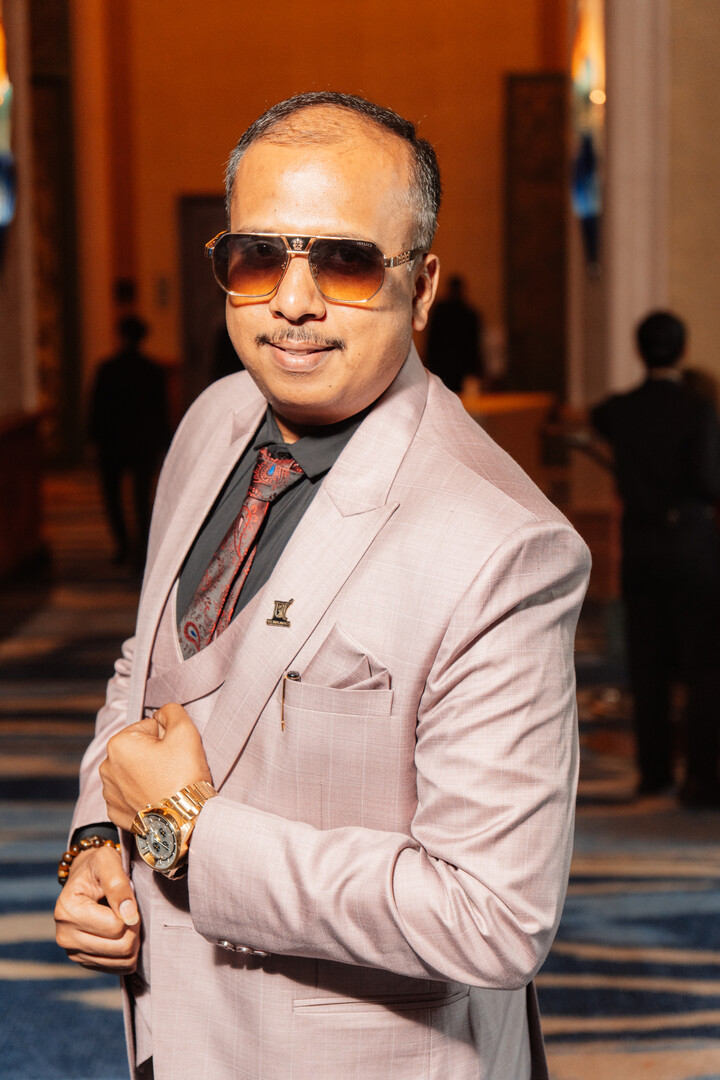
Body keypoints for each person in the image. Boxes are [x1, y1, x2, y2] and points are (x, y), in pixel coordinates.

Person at [56, 92, 590, 1080]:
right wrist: (98, 830)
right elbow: (149, 670)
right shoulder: (215, 419)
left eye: (344, 262)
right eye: (258, 257)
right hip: (172, 1037)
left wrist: (187, 835)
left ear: (421, 288)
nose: (292, 302)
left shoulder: (501, 546)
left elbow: (493, 917)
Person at [591, 311, 720, 806]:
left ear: (639, 352)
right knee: (702, 667)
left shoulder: (622, 410)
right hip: (690, 545)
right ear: (682, 351)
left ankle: (654, 773)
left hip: (642, 547)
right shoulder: (698, 409)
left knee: (647, 665)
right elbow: (709, 480)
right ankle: (701, 779)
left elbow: (596, 417)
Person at [88, 316, 171, 567]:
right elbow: (161, 410)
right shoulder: (153, 370)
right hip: (143, 442)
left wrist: (93, 439)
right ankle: (142, 548)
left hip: (112, 443)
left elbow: (97, 408)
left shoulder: (107, 368)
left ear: (121, 336)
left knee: (112, 497)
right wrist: (163, 442)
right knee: (141, 498)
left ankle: (123, 545)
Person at [425, 273, 484, 392]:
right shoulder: (469, 314)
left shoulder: (440, 311)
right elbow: (473, 344)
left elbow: (432, 340)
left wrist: (428, 360)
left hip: (441, 363)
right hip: (461, 364)